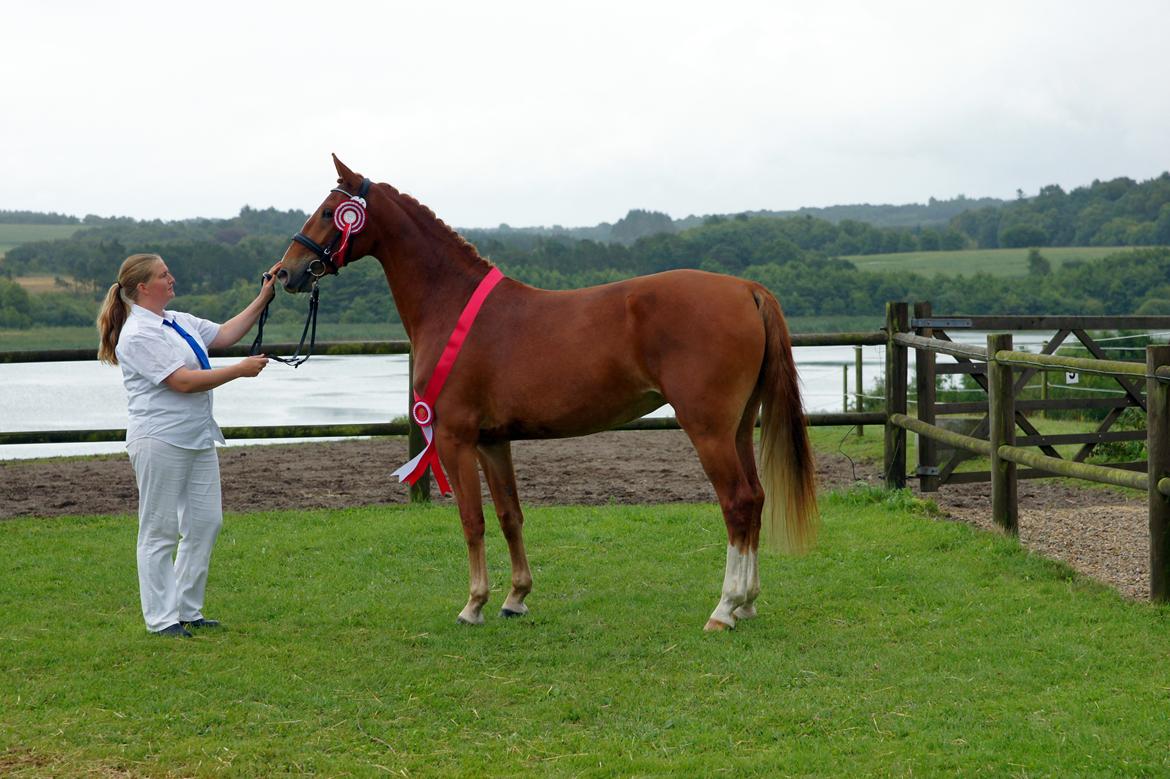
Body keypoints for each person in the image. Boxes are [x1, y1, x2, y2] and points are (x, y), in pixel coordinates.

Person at [97, 252, 281, 638]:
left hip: (196, 435)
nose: (172, 278)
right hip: (159, 438)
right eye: (164, 275)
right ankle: (161, 620)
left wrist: (264, 296)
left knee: (205, 523)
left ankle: (187, 609)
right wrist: (239, 371)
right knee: (159, 529)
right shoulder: (138, 334)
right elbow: (180, 381)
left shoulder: (177, 320)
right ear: (143, 287)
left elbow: (227, 334)